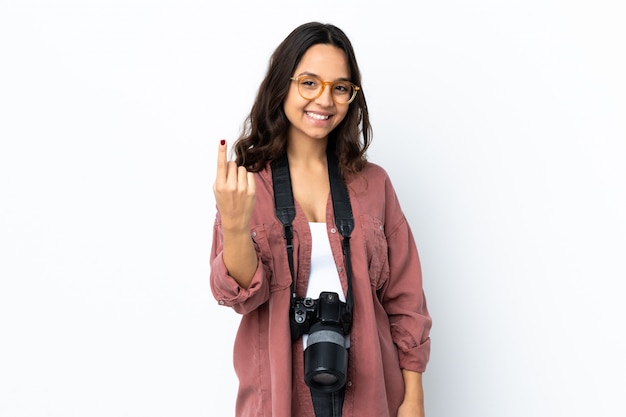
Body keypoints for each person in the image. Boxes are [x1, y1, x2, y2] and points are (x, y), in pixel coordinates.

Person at [210, 22, 432, 417]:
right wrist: (233, 221)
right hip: (277, 394)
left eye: (340, 87)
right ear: (283, 84)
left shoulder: (374, 185)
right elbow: (241, 295)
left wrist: (412, 397)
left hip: (371, 394)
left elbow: (406, 300)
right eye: (309, 83)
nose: (325, 100)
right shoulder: (248, 183)